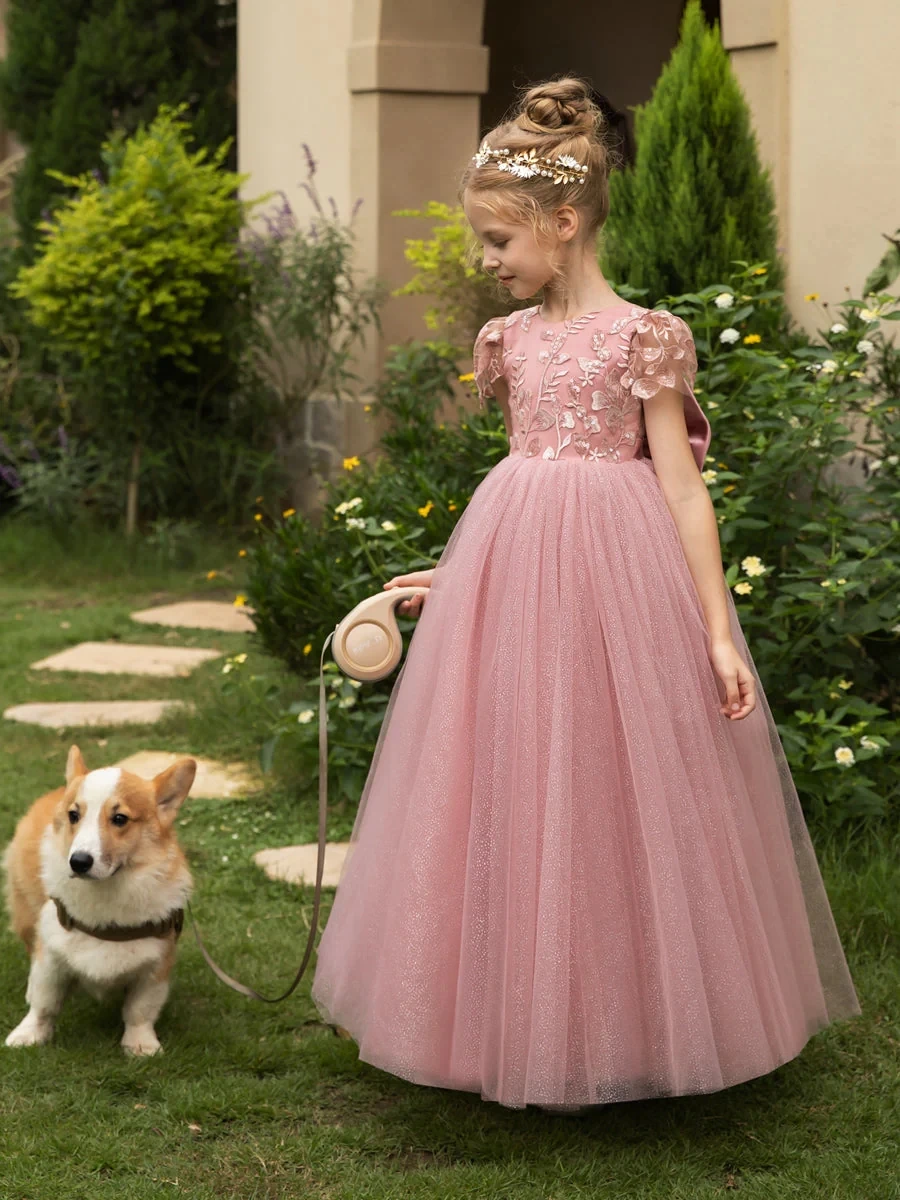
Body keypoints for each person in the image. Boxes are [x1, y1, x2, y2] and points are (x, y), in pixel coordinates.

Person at [310, 76, 862, 1114]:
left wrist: (716, 633)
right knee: (513, 786)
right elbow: (525, 489)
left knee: (620, 795)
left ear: (564, 224)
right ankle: (500, 1019)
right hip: (514, 582)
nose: (486, 261)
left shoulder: (643, 338)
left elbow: (682, 489)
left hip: (628, 590)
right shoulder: (507, 346)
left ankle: (642, 1019)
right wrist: (459, 573)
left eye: (497, 241)